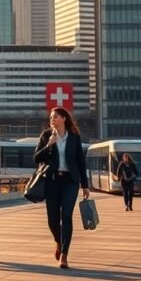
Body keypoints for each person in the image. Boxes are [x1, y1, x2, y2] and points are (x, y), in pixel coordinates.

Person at [34, 106, 90, 270]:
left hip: (70, 181)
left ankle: (64, 254)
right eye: (51, 117)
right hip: (52, 181)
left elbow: (80, 162)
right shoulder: (46, 135)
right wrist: (49, 145)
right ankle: (59, 241)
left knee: (66, 215)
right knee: (52, 219)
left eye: (56, 117)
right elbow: (36, 158)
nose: (52, 119)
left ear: (64, 118)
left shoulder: (74, 136)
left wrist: (85, 185)